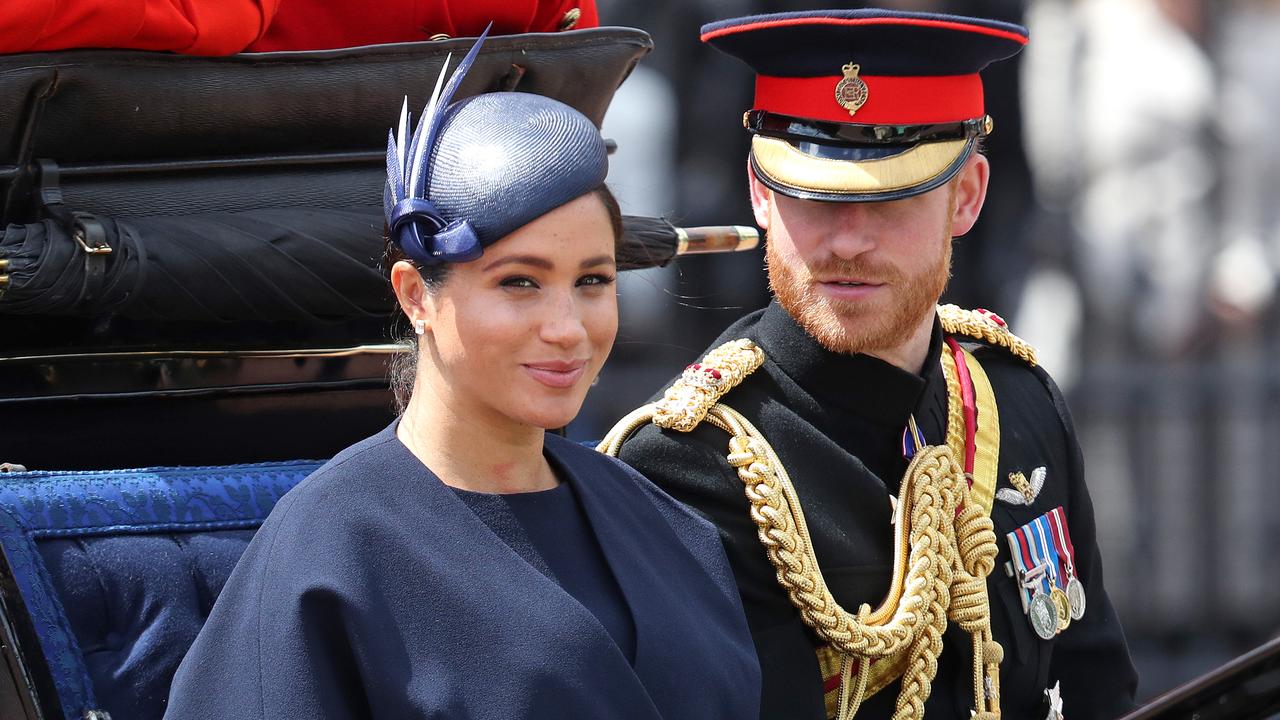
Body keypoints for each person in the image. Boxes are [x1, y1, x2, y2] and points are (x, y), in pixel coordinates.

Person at [164, 32, 759, 720]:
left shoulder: (666, 524)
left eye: (593, 280)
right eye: (520, 283)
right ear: (416, 295)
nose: (568, 326)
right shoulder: (331, 548)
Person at [603, 9, 1138, 720]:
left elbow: (1099, 688)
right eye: (814, 196)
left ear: (967, 196)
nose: (849, 242)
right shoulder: (688, 465)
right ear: (761, 193)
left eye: (891, 199)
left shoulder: (1019, 401)